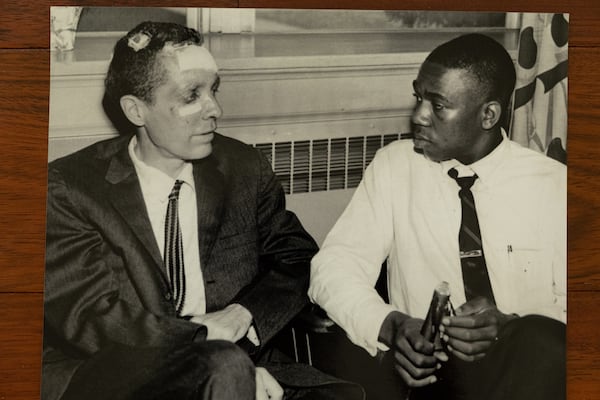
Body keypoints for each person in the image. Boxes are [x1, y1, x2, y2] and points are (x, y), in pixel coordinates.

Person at [43, 21, 363, 400]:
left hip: (240, 363)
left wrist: (243, 314)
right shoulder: (71, 186)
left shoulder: (244, 169)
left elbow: (296, 258)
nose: (215, 109)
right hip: (121, 378)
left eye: (213, 90)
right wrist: (209, 344)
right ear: (136, 110)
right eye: (191, 95)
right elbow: (90, 316)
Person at [309, 33, 566, 400]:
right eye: (418, 97)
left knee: (540, 343)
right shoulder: (395, 167)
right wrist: (390, 325)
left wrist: (509, 327)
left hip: (531, 377)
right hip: (434, 380)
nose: (418, 116)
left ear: (488, 114)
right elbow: (333, 267)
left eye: (438, 105)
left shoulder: (555, 186)